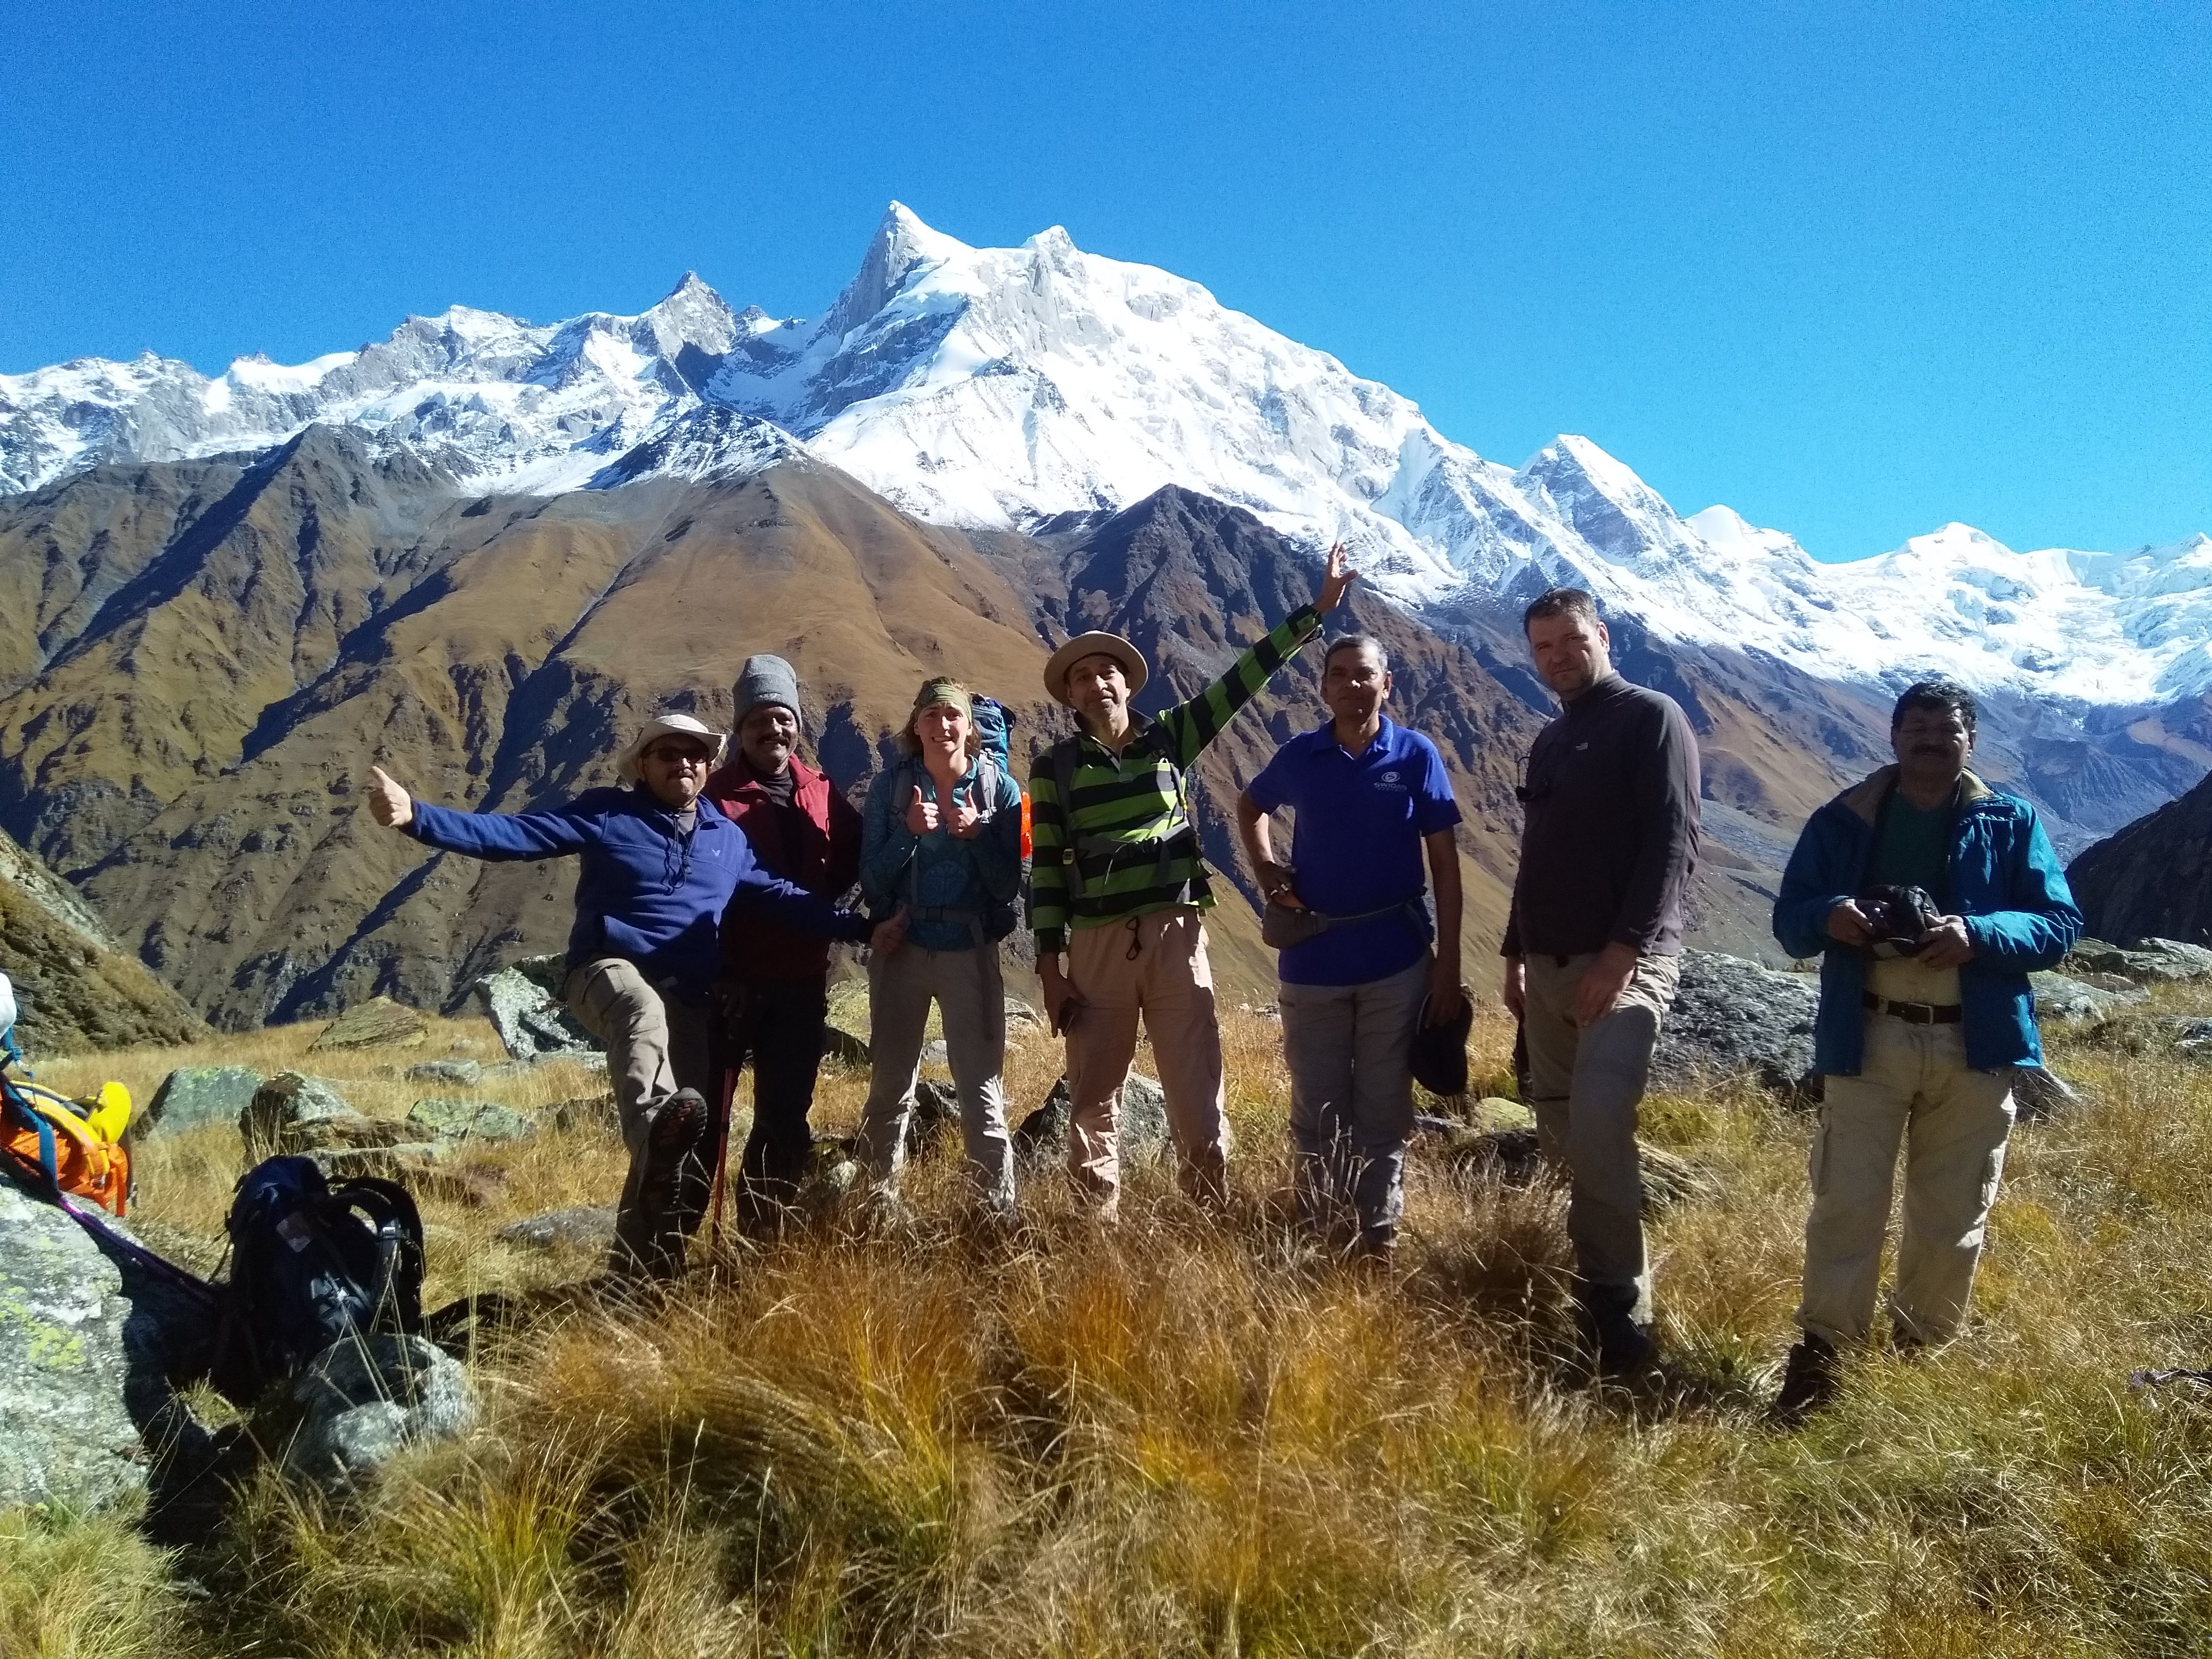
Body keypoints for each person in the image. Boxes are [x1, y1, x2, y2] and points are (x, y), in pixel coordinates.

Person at [364, 713, 891, 1278]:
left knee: (680, 1152)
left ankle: (638, 1275)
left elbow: (781, 896)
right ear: (642, 765)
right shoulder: (609, 813)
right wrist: (417, 817)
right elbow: (517, 836)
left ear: (707, 765)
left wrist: (862, 929)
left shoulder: (727, 840)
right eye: (667, 754)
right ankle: (654, 1128)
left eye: (693, 755)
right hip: (606, 971)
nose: (681, 764)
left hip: (687, 1000)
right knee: (643, 1024)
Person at [1769, 678, 2081, 1422]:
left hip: (1974, 1042)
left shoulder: (2010, 822)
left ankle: (1922, 1361)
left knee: (1953, 1213)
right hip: (1868, 1032)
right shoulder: (1843, 821)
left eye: (1946, 731)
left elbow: (2059, 925)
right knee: (1846, 1205)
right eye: (1917, 729)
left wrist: (1979, 934)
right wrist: (1832, 916)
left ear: (1970, 741)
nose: (1930, 742)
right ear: (1893, 736)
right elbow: (1790, 921)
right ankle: (1824, 1364)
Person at [1030, 544, 1356, 1216]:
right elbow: (1046, 872)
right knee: (1094, 1091)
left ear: (1129, 683)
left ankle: (1209, 1213)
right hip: (1094, 944)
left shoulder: (1170, 737)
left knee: (1194, 1083)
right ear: (1069, 694)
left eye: (1108, 673)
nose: (1097, 684)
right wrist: (1049, 967)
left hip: (1177, 933)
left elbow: (1242, 681)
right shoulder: (1054, 768)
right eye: (1083, 677)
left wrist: (1315, 613)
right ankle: (1096, 1227)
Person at [1500, 587, 1700, 1377]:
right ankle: (1582, 1289)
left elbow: (1673, 840)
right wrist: (1514, 952)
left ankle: (1624, 1313)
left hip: (1623, 964)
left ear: (1603, 637)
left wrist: (1623, 953)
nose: (1558, 658)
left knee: (1600, 1123)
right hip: (1545, 968)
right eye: (1543, 647)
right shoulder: (1552, 739)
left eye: (1571, 642)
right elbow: (1534, 851)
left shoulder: (1650, 717)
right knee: (1557, 1131)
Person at [702, 656, 864, 1236]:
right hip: (731, 980)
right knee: (706, 1119)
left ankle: (763, 1235)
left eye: (783, 720)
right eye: (759, 722)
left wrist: (824, 907)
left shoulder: (819, 790)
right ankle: (671, 1245)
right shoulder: (715, 797)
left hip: (799, 979)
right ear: (740, 729)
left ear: (798, 723)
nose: (773, 732)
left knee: (784, 1116)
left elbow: (853, 853)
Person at [853, 678, 1026, 1218]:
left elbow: (1006, 888)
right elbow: (872, 882)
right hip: (902, 951)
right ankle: (878, 1208)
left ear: (970, 727)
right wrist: (907, 833)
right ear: (916, 726)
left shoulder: (1001, 790)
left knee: (981, 1091)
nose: (942, 725)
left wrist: (977, 835)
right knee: (888, 1087)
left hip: (968, 953)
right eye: (931, 716)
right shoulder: (889, 790)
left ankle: (992, 1216)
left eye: (952, 715)